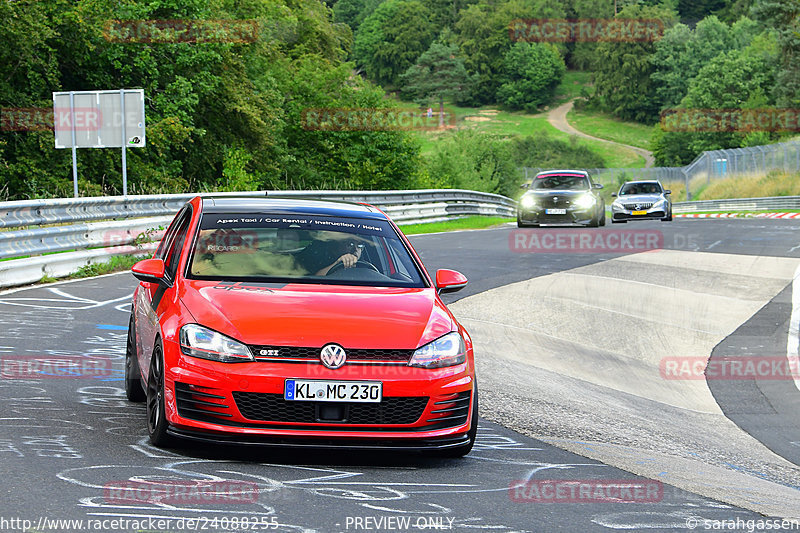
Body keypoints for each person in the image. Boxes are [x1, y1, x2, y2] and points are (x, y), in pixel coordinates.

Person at [294, 236, 363, 276]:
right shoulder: (320, 259)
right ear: (337, 246)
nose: (355, 249)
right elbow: (316, 281)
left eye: (359, 245)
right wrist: (337, 263)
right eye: (350, 244)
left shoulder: (367, 265)